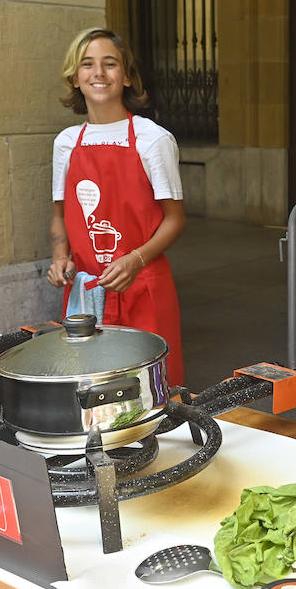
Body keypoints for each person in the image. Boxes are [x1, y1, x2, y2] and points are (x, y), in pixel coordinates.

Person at [47, 27, 186, 385]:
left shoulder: (152, 139)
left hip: (143, 286)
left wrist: (135, 260)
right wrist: (61, 256)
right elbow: (60, 214)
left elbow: (175, 219)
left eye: (110, 64)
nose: (99, 72)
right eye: (87, 64)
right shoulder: (66, 143)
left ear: (126, 76)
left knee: (151, 387)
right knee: (92, 389)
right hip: (87, 291)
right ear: (75, 77)